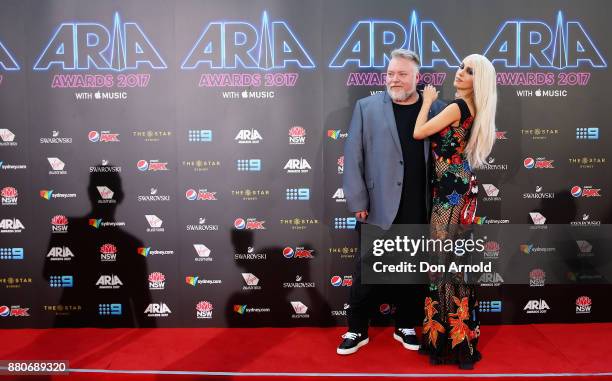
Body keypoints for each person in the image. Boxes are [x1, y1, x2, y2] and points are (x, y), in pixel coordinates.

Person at [339, 49, 446, 355]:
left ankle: (406, 324)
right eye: (390, 74)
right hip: (376, 205)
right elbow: (352, 156)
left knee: (411, 271)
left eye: (401, 74)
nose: (394, 79)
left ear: (417, 77)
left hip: (419, 205)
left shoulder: (436, 108)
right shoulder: (366, 107)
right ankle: (356, 329)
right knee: (367, 271)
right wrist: (357, 198)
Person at [413, 54, 497, 369]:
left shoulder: (456, 107)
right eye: (461, 66)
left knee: (442, 261)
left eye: (469, 71)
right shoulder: (475, 109)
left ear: (480, 81)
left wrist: (427, 100)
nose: (460, 72)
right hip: (458, 186)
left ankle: (448, 340)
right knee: (454, 262)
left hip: (449, 193)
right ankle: (460, 336)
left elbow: (419, 133)